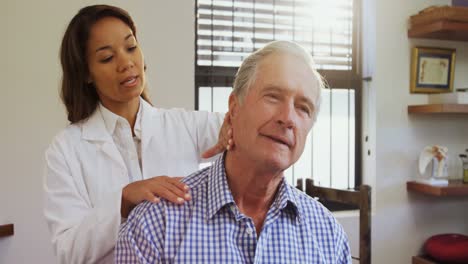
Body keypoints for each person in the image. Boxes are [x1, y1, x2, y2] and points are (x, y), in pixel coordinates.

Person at [115, 40, 352, 263]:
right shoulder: (155, 226)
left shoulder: (328, 236)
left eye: (303, 108)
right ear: (233, 107)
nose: (287, 118)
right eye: (273, 97)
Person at [43, 5, 231, 264]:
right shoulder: (66, 149)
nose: (127, 63)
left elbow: (244, 128)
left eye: (131, 48)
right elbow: (69, 251)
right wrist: (123, 199)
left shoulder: (186, 125)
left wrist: (237, 130)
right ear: (86, 72)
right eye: (107, 58)